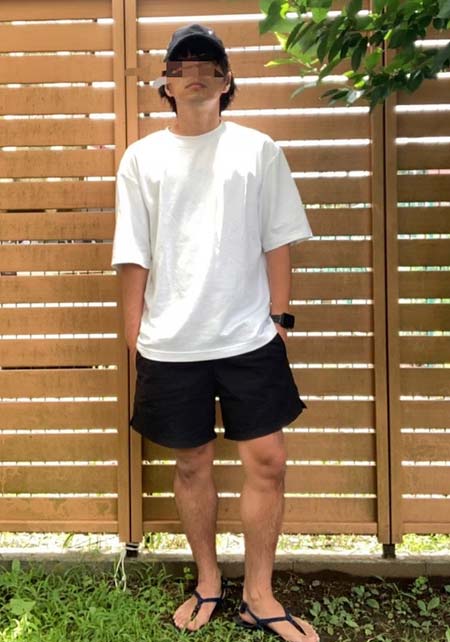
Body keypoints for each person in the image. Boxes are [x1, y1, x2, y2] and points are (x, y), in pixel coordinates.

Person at [112, 23, 319, 642]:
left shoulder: (258, 151)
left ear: (228, 82)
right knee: (192, 463)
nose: (196, 74)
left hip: (250, 337)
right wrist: (134, 335)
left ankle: (259, 593)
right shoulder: (141, 159)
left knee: (269, 461)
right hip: (171, 342)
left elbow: (278, 240)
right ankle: (209, 580)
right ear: (167, 85)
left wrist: (280, 319)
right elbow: (133, 254)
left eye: (209, 64)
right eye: (182, 66)